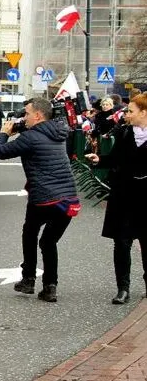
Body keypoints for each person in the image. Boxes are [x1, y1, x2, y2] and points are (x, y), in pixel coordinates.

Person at [0, 97, 80, 302]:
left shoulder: (30, 138)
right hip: (68, 198)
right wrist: (21, 129)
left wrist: (4, 133)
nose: (24, 117)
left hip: (43, 197)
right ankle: (50, 286)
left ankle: (29, 279)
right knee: (49, 242)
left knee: (30, 234)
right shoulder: (58, 131)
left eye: (27, 113)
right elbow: (40, 137)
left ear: (38, 115)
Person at [85, 93, 147, 304]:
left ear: (144, 113)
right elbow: (116, 158)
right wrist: (99, 159)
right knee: (122, 242)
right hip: (124, 193)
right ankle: (123, 288)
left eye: (131, 111)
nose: (127, 114)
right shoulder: (123, 132)